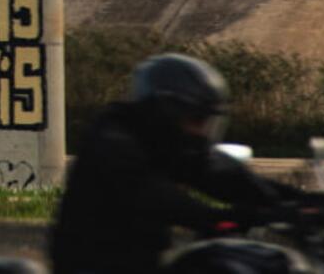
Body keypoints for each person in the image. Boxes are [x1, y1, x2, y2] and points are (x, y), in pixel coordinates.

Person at [50, 54, 289, 274]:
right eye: (196, 119)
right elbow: (152, 194)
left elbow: (215, 172)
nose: (201, 131)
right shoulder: (113, 139)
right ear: (166, 111)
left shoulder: (164, 140)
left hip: (145, 263)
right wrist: (217, 217)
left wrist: (293, 200)